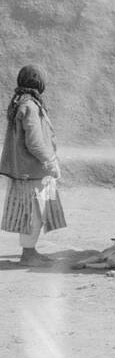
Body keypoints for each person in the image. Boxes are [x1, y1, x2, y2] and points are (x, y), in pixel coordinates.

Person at [1, 65, 67, 266]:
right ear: (38, 83)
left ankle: (29, 251)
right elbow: (35, 143)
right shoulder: (29, 106)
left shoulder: (21, 103)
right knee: (34, 214)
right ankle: (28, 255)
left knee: (32, 213)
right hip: (33, 171)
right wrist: (51, 162)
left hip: (27, 171)